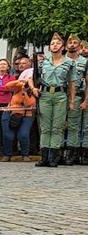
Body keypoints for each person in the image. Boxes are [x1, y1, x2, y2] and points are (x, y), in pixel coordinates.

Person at [34, 33, 76, 167]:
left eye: (57, 43)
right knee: (45, 126)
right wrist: (34, 88)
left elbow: (71, 83)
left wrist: (72, 100)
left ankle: (53, 156)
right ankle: (44, 156)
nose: (54, 45)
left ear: (63, 47)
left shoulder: (69, 62)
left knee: (57, 127)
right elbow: (33, 78)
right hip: (45, 95)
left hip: (60, 95)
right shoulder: (43, 62)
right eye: (52, 43)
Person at [66, 36, 86, 165]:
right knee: (70, 125)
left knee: (84, 126)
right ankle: (70, 152)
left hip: (80, 94)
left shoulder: (85, 62)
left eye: (75, 43)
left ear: (80, 46)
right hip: (64, 95)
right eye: (70, 42)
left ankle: (83, 153)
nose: (72, 45)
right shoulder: (62, 60)